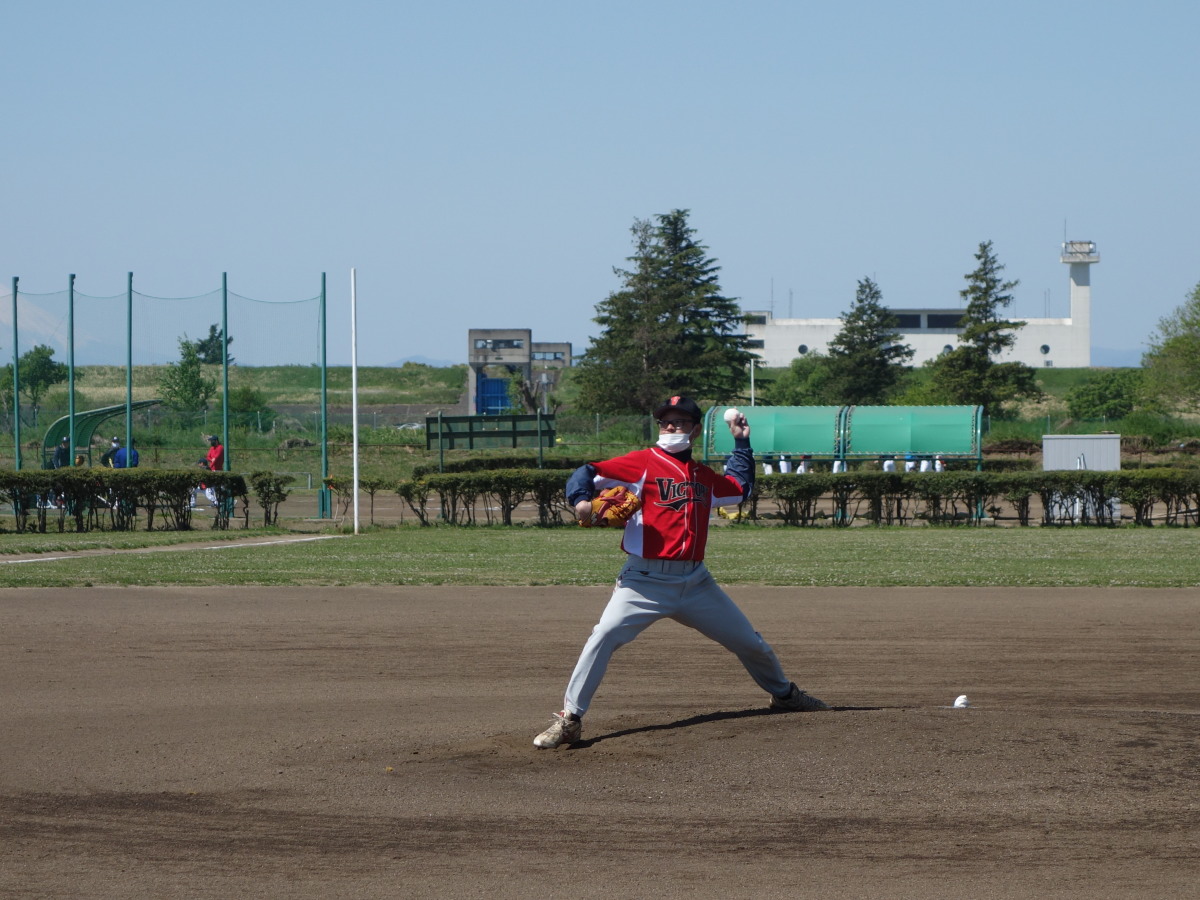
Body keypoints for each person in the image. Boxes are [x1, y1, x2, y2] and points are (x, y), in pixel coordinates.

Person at [532, 395, 830, 750]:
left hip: (696, 583)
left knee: (751, 643)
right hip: (643, 582)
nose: (672, 427)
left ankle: (784, 695)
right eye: (665, 422)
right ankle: (570, 719)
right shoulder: (642, 463)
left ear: (695, 429)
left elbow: (739, 489)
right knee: (604, 635)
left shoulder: (703, 476)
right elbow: (587, 471)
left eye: (681, 421)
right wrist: (581, 501)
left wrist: (741, 442)